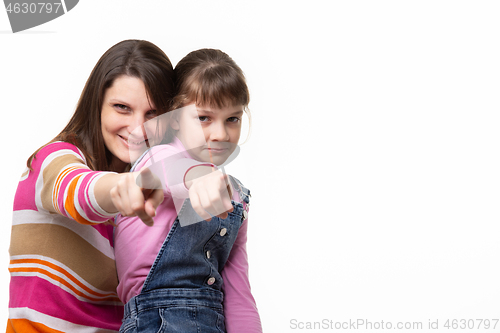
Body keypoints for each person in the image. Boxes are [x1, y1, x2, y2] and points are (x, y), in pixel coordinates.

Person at [7, 39, 174, 333]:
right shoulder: (53, 159)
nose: (138, 129)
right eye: (122, 108)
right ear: (96, 104)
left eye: (152, 115)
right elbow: (77, 189)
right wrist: (123, 186)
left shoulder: (155, 198)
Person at [114, 49, 262, 333]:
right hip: (156, 322)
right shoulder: (155, 159)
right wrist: (199, 175)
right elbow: (167, 173)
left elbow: (238, 292)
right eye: (204, 118)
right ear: (174, 119)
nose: (220, 134)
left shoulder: (236, 198)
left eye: (233, 119)